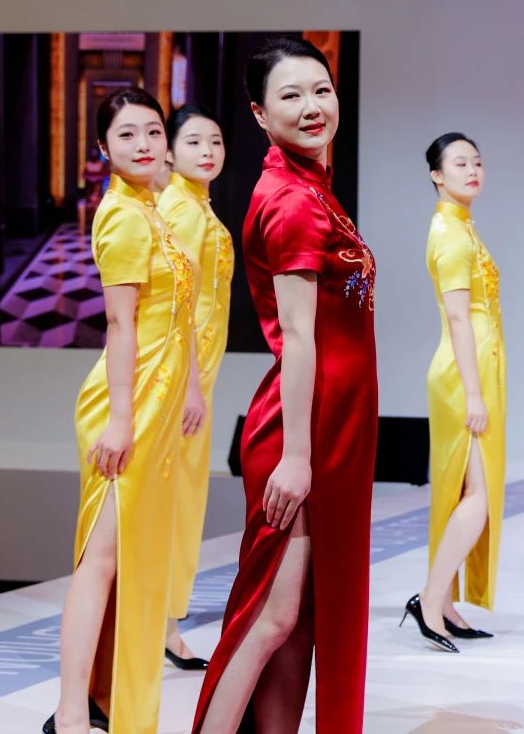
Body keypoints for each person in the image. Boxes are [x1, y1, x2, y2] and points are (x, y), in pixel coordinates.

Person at [191, 36, 378, 734]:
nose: (311, 106)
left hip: (330, 427)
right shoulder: (293, 201)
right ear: (259, 114)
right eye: (290, 96)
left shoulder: (312, 190)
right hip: (302, 433)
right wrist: (298, 457)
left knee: (297, 620)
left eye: (321, 90)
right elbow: (298, 336)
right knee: (271, 617)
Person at [46, 88, 204, 734]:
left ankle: (104, 700)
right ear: (103, 148)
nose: (144, 144)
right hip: (127, 404)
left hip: (155, 402)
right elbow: (121, 323)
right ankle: (70, 712)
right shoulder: (122, 216)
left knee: (128, 561)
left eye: (153, 132)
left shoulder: (152, 210)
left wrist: (187, 390)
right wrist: (119, 420)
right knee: (101, 560)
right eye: (128, 134)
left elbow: (177, 317)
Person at [405, 132, 506, 650]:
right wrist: (472, 393)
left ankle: (442, 603)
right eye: (460, 163)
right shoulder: (450, 233)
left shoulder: (462, 227)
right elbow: (459, 318)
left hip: (476, 369)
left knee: (461, 493)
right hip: (464, 373)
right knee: (478, 496)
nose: (472, 170)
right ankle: (429, 600)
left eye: (477, 162)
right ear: (436, 175)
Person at [158, 104, 234, 671]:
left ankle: (164, 627)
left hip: (197, 377)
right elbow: (176, 307)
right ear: (169, 152)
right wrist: (188, 386)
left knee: (182, 504)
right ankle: (156, 629)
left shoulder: (197, 206)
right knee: (172, 505)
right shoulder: (181, 210)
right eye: (193, 142)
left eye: (216, 141)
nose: (207, 151)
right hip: (182, 381)